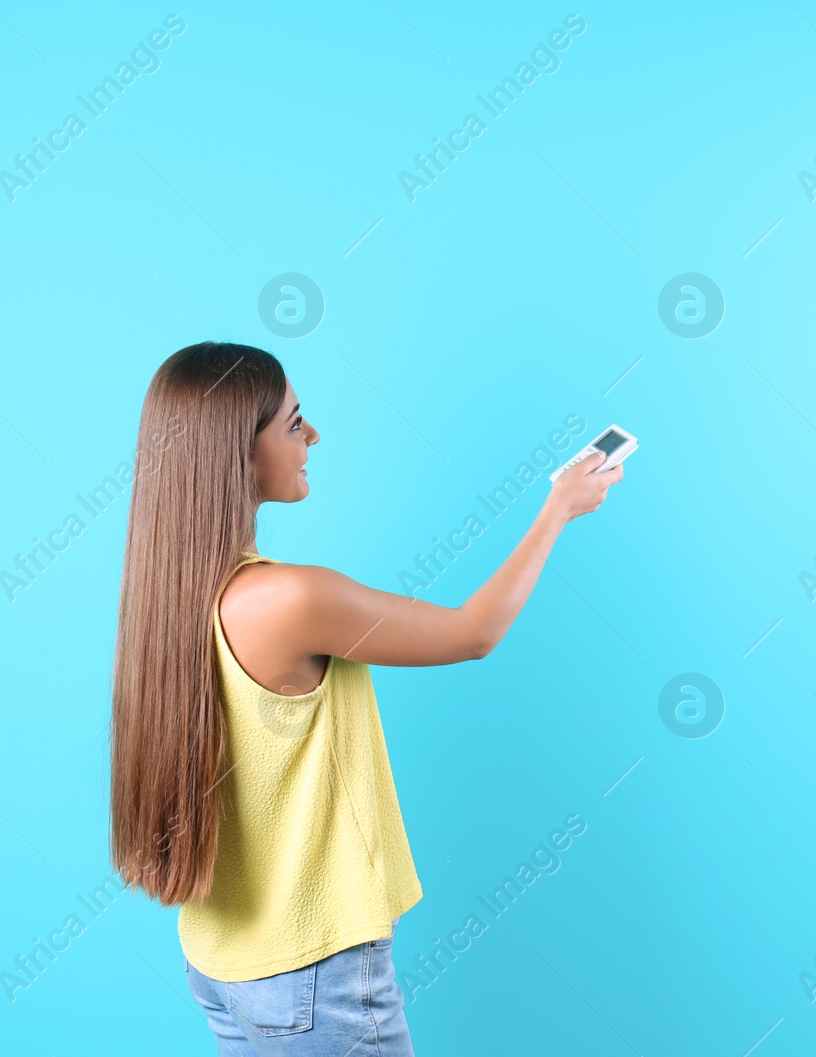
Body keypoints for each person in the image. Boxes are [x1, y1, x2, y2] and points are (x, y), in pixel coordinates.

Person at [108, 341, 624, 1054]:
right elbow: (473, 633)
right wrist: (556, 511)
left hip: (221, 966)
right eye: (293, 423)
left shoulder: (163, 598)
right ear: (240, 452)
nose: (312, 435)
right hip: (312, 976)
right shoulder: (291, 599)